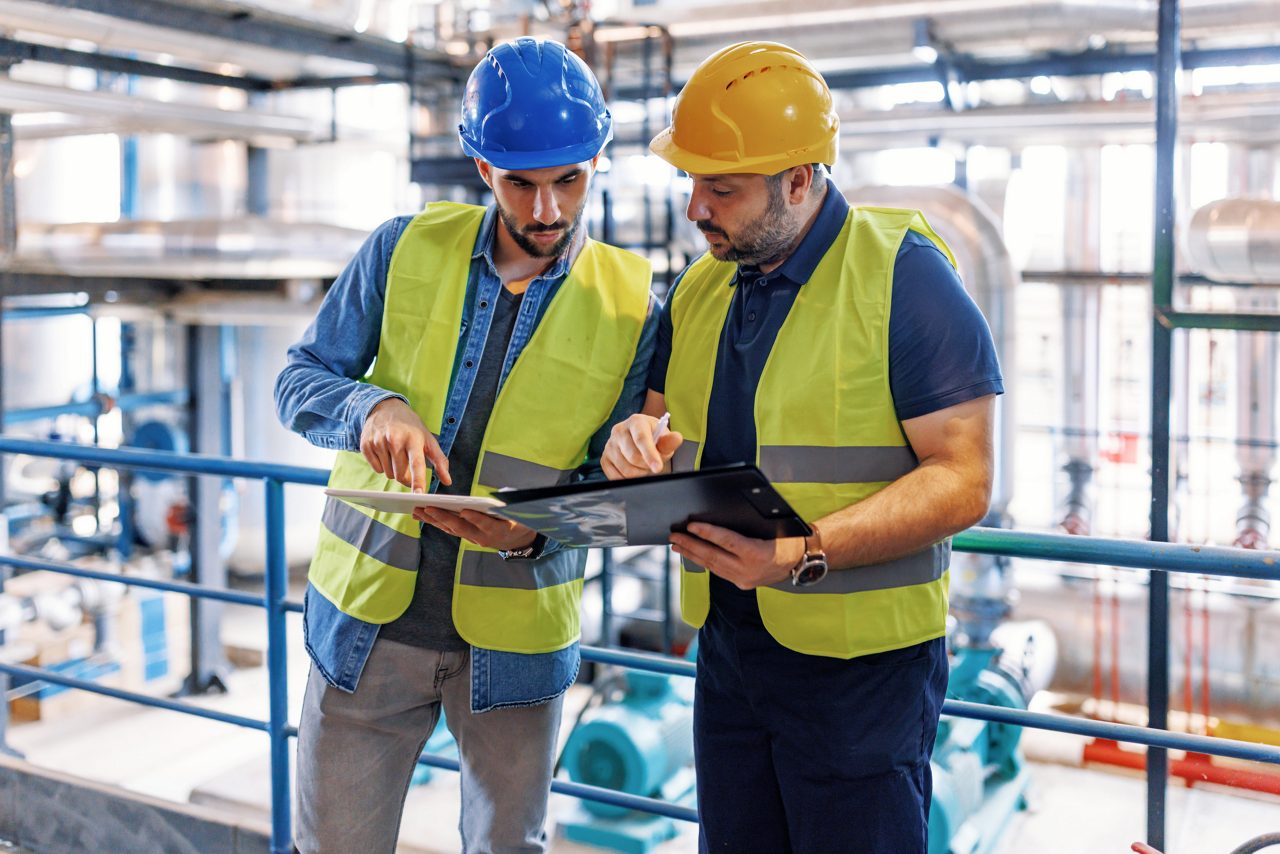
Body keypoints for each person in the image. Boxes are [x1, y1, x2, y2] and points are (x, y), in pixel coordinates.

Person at [601, 41, 1003, 854]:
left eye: (721, 187)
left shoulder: (904, 275)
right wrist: (632, 444)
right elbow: (653, 428)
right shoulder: (700, 288)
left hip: (864, 672)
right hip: (729, 651)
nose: (696, 210)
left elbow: (963, 478)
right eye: (691, 183)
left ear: (799, 179)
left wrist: (805, 554)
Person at [275, 37, 657, 854]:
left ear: (597, 162)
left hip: (516, 652)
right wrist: (370, 408)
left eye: (570, 180)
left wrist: (536, 531)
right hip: (366, 635)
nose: (548, 210)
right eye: (522, 182)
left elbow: (619, 500)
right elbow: (298, 382)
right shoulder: (401, 249)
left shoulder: (634, 308)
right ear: (482, 168)